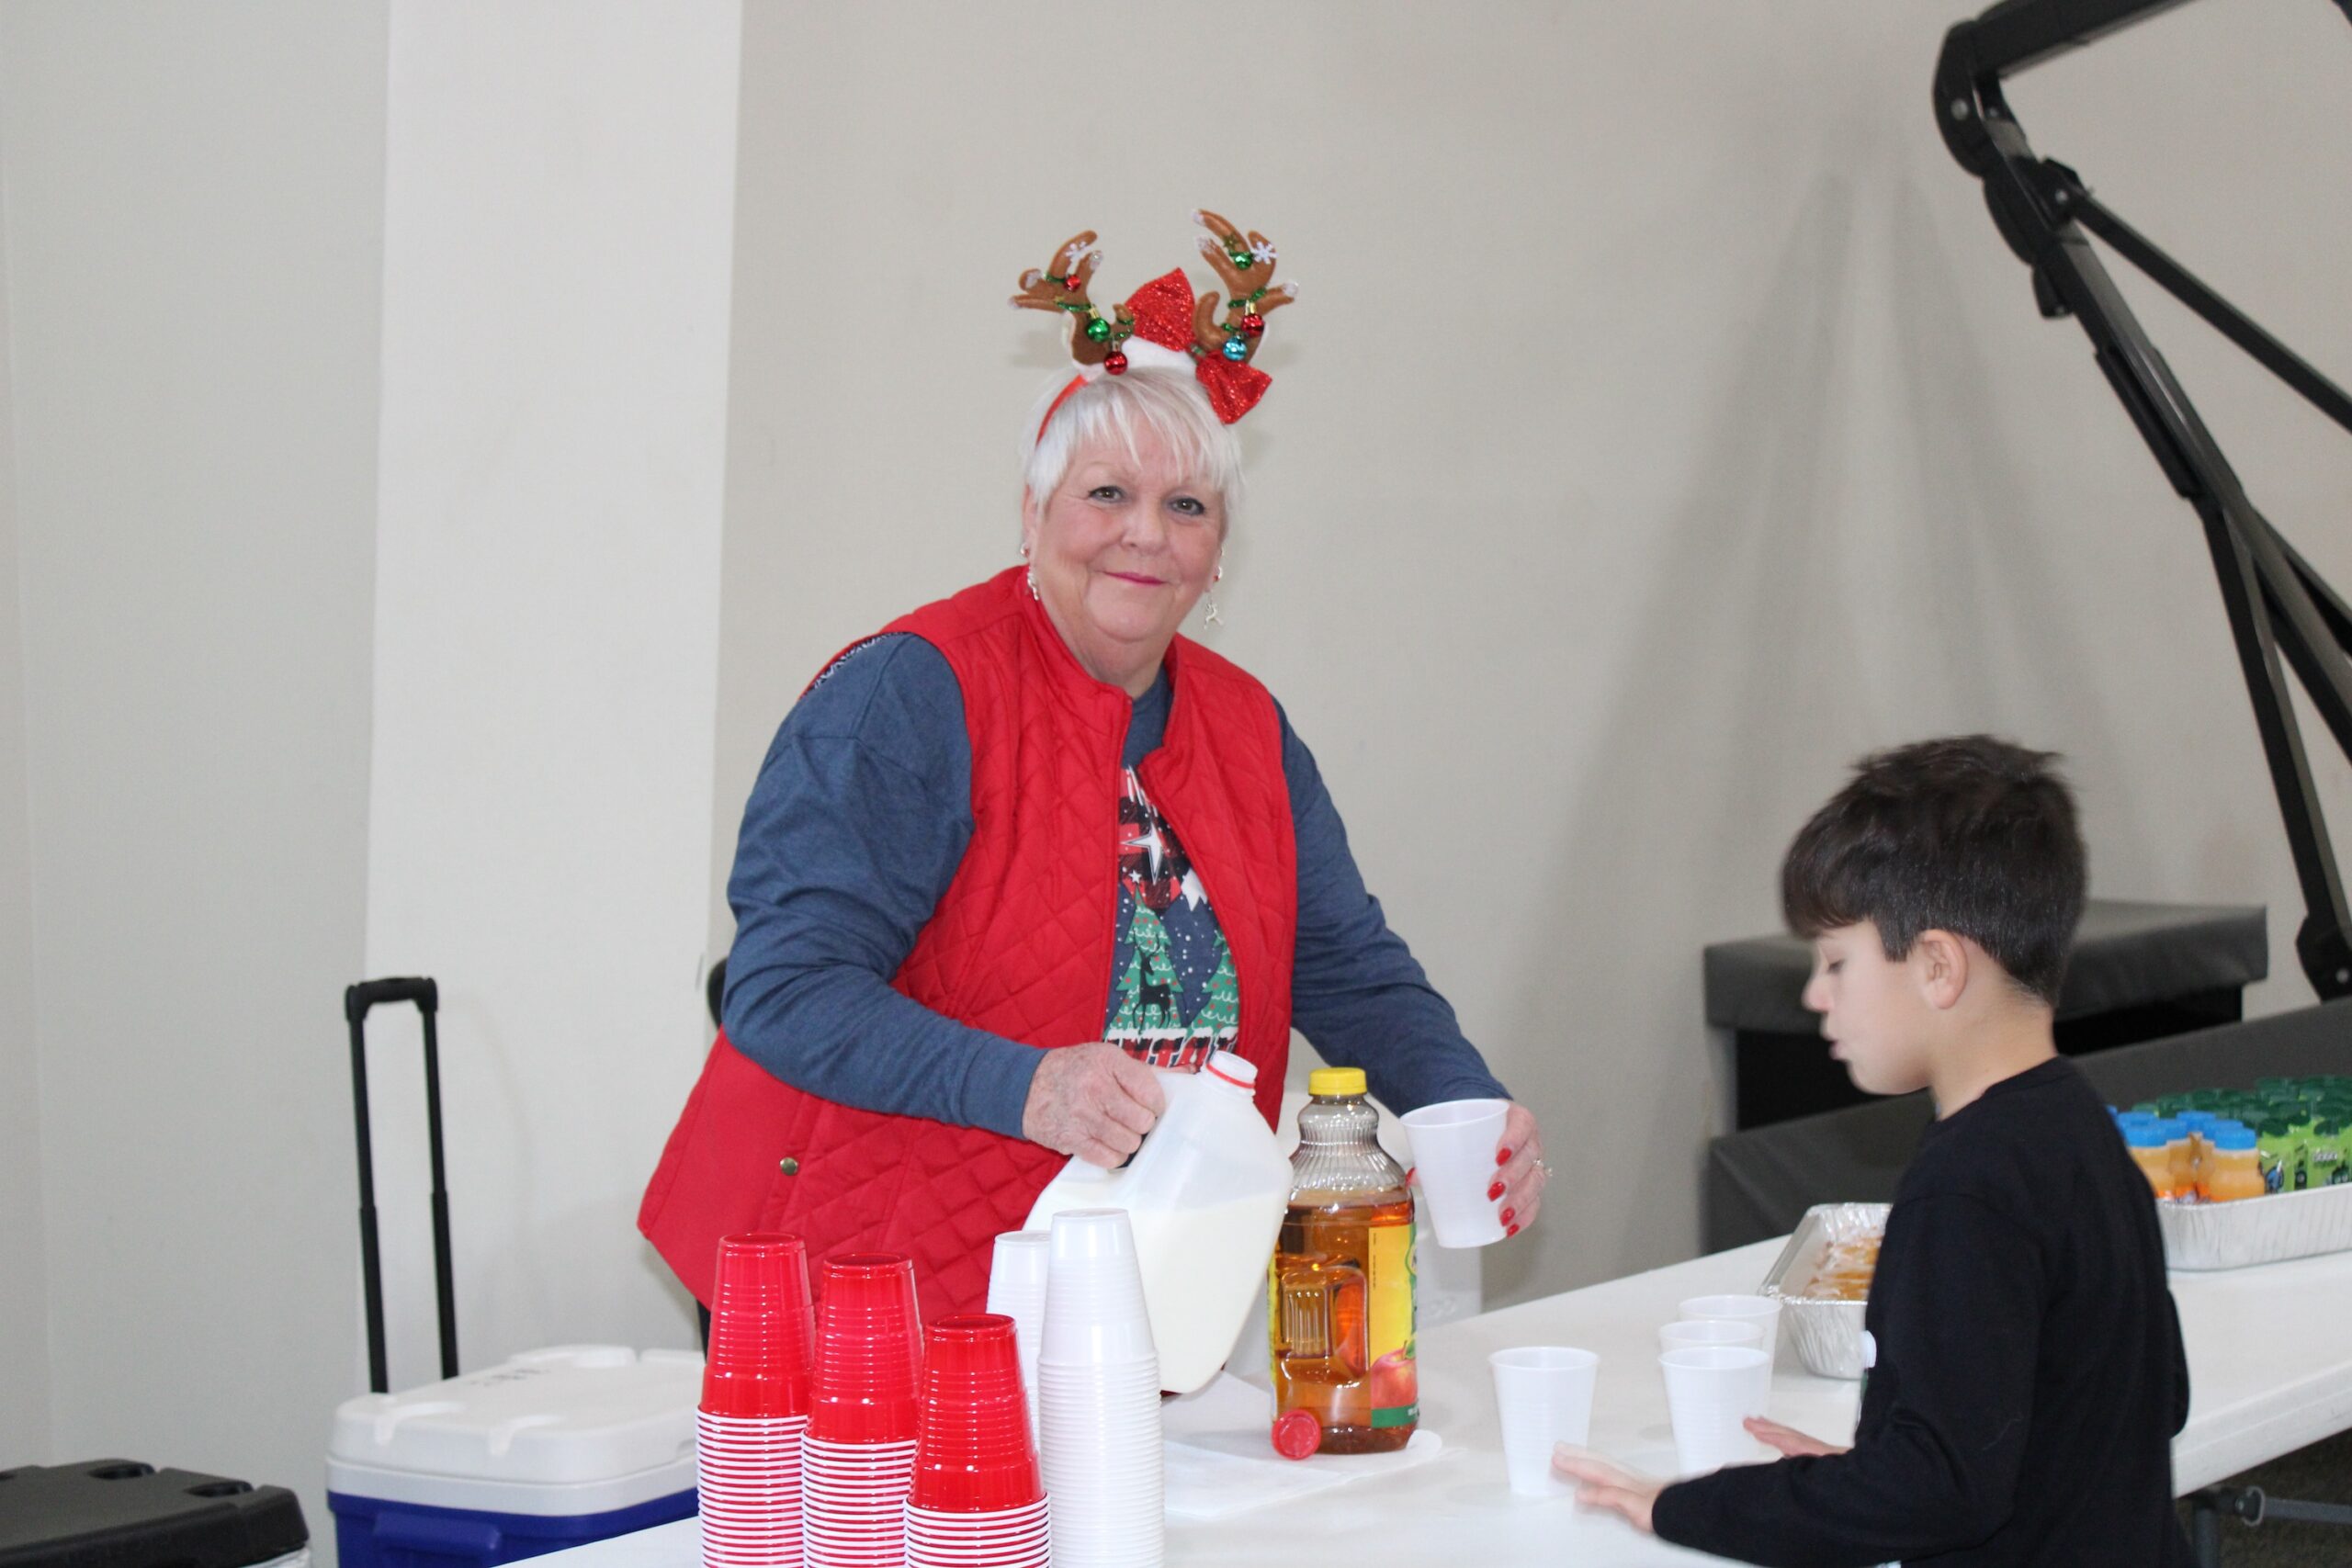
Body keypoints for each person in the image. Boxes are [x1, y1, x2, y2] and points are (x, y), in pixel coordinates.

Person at [639, 214, 1546, 1320]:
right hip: (858, 1279)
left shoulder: (1248, 728)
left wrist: (1462, 1108)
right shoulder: (911, 693)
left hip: (1125, 1289)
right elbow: (784, 991)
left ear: (1219, 549)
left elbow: (1347, 969)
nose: (1146, 535)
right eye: (1106, 493)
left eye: (1186, 506)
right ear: (1033, 515)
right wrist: (1029, 1085)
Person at [1558, 736, 2192, 1566]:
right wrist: (1887, 1470)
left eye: (1836, 961)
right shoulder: (2082, 1129)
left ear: (1937, 966)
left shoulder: (1964, 1185)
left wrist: (1684, 1505)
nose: (1814, 993)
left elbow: (1941, 1491)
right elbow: (2153, 1394)